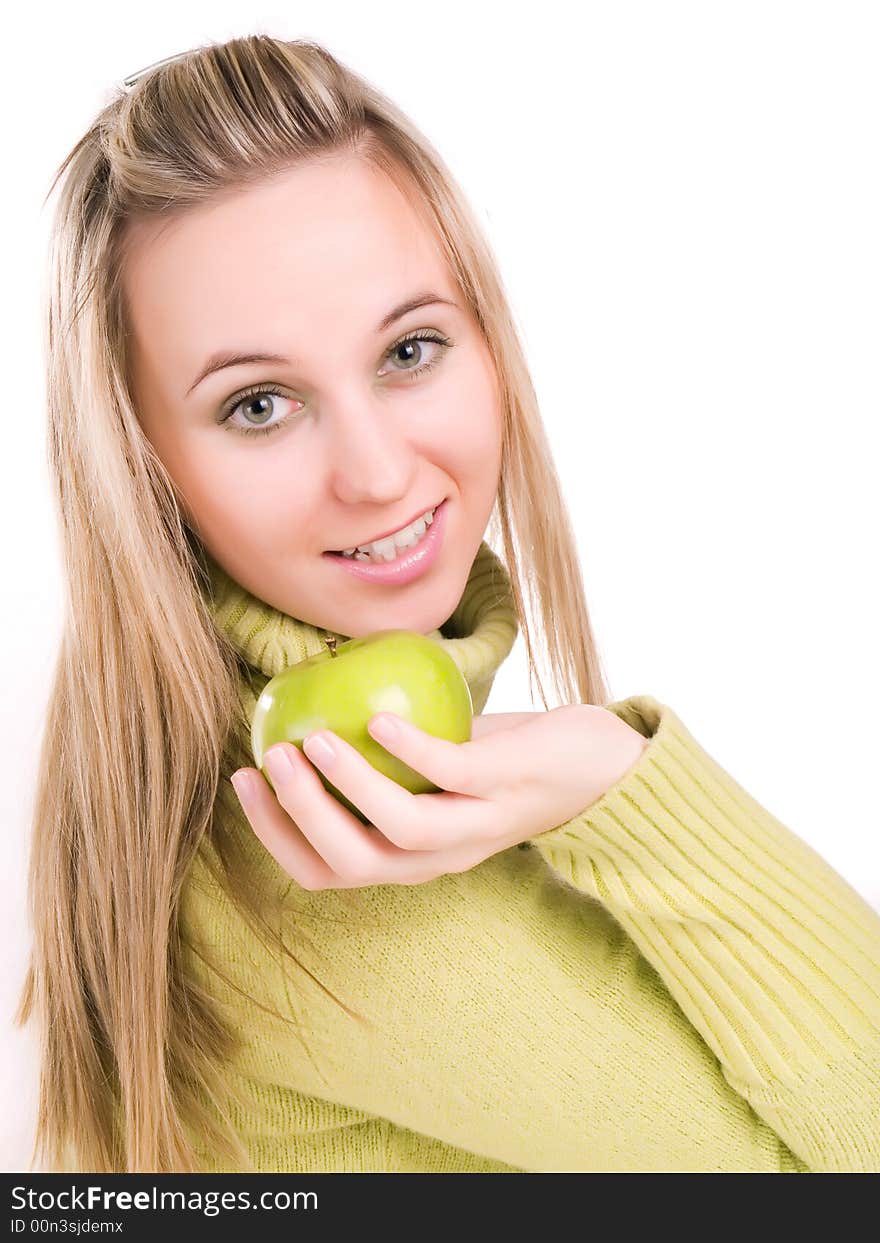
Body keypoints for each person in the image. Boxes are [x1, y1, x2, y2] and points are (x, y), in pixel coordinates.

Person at [17, 33, 880, 1174]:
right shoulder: (332, 863)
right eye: (260, 405)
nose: (376, 472)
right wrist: (619, 780)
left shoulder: (221, 760)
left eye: (410, 348)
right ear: (144, 467)